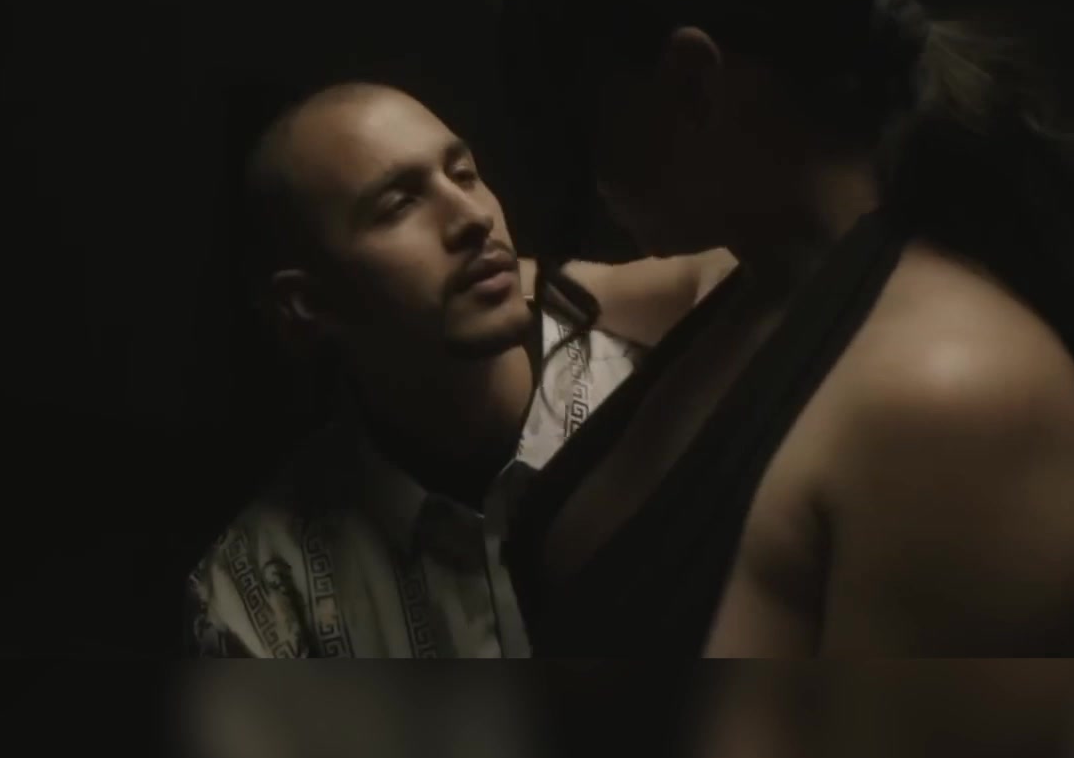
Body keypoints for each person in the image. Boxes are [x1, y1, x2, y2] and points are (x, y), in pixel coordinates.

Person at [494, 0, 1074, 658]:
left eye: (578, 116)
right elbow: (573, 285)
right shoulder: (753, 277)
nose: (579, 167)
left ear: (690, 84)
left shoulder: (952, 396)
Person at [184, 79, 734, 657]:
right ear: (308, 305)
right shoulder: (262, 591)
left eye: (464, 174)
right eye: (399, 204)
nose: (473, 217)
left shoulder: (675, 406)